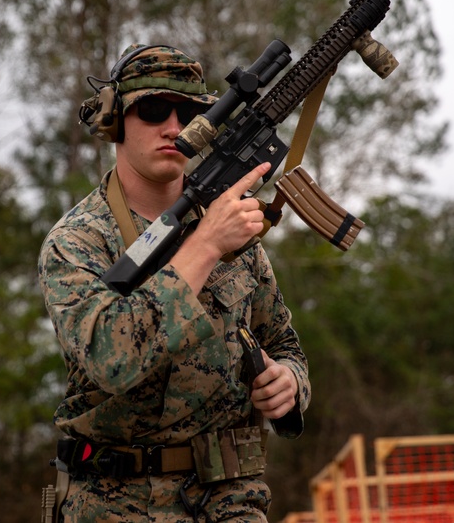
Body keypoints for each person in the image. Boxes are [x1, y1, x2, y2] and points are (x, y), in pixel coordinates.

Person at [38, 43, 311, 522]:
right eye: (153, 110)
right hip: (115, 504)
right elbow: (109, 359)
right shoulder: (76, 242)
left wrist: (289, 384)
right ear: (116, 121)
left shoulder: (231, 230)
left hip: (233, 501)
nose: (173, 126)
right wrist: (204, 245)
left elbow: (284, 343)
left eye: (187, 111)